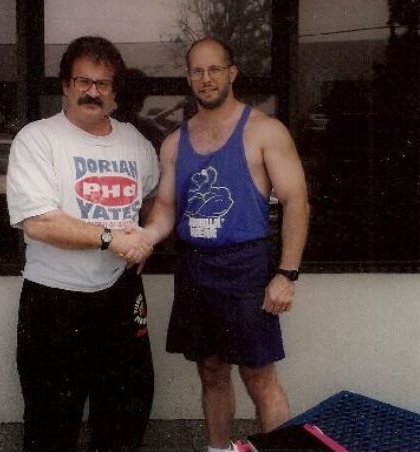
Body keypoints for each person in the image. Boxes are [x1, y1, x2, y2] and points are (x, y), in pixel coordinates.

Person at [128, 37, 310, 452]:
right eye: (197, 71)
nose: (206, 79)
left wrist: (286, 274)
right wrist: (145, 237)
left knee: (258, 376)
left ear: (232, 73)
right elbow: (166, 210)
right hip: (195, 266)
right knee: (210, 370)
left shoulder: (265, 130)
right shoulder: (175, 143)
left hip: (247, 266)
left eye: (214, 70)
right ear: (189, 77)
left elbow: (297, 202)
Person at [6, 36, 159, 452]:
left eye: (103, 84)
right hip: (55, 300)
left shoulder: (136, 144)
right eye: (83, 81)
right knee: (51, 422)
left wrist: (147, 237)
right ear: (65, 85)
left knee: (125, 415)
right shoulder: (37, 140)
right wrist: (111, 238)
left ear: (114, 91)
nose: (93, 91)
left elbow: (156, 200)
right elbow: (38, 223)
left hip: (121, 296)